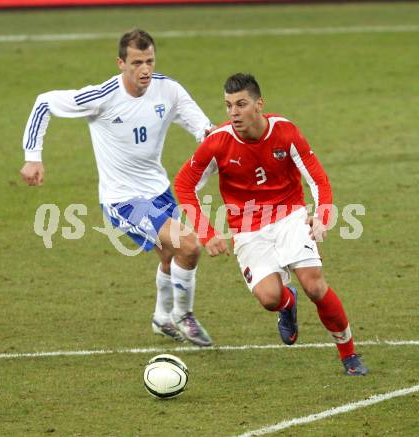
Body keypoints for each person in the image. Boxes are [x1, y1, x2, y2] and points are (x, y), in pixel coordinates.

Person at [20, 29, 213, 347]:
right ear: (121, 63)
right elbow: (44, 103)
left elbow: (204, 129)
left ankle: (162, 319)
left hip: (159, 190)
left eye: (149, 60)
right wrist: (33, 157)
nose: (145, 69)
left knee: (170, 255)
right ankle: (183, 315)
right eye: (137, 62)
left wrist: (214, 151)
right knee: (189, 245)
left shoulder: (169, 91)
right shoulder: (102, 97)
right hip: (123, 200)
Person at [174, 73, 369, 374]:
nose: (233, 113)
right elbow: (184, 184)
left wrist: (323, 216)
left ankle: (349, 353)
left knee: (314, 284)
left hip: (289, 215)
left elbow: (316, 176)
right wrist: (207, 232)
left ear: (259, 104)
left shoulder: (285, 132)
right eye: (228, 106)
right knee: (270, 298)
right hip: (248, 229)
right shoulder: (218, 144)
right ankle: (287, 304)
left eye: (241, 104)